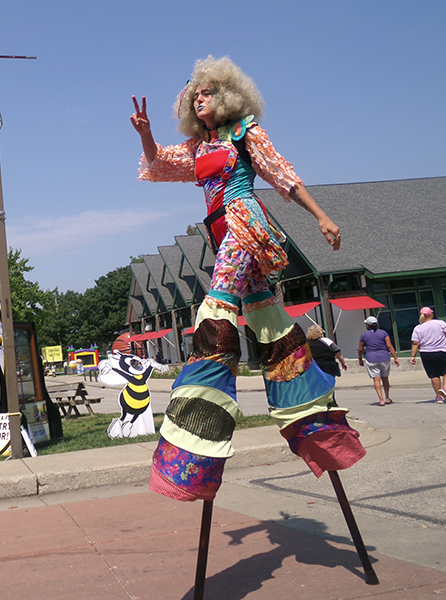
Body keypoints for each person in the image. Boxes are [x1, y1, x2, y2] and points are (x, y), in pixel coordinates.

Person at [131, 56, 364, 503]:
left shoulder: (245, 135)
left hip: (243, 224)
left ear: (229, 96)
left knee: (215, 315)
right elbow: (159, 162)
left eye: (208, 93)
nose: (200, 100)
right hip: (220, 235)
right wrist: (145, 135)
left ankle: (192, 452)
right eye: (195, 96)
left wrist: (322, 217)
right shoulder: (199, 148)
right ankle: (318, 429)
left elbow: (283, 177)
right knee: (270, 323)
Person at [357, 316, 399, 406]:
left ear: (367, 325)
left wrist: (360, 359)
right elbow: (389, 346)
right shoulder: (383, 333)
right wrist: (395, 357)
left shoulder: (364, 335)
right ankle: (387, 398)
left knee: (376, 379)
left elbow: (360, 349)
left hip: (371, 358)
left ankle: (381, 400)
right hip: (384, 357)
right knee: (385, 378)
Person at [409, 307, 446, 403]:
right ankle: (445, 389)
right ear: (431, 314)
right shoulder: (440, 323)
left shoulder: (418, 328)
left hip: (426, 353)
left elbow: (415, 343)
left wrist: (413, 356)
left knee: (434, 375)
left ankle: (438, 397)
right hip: (442, 351)